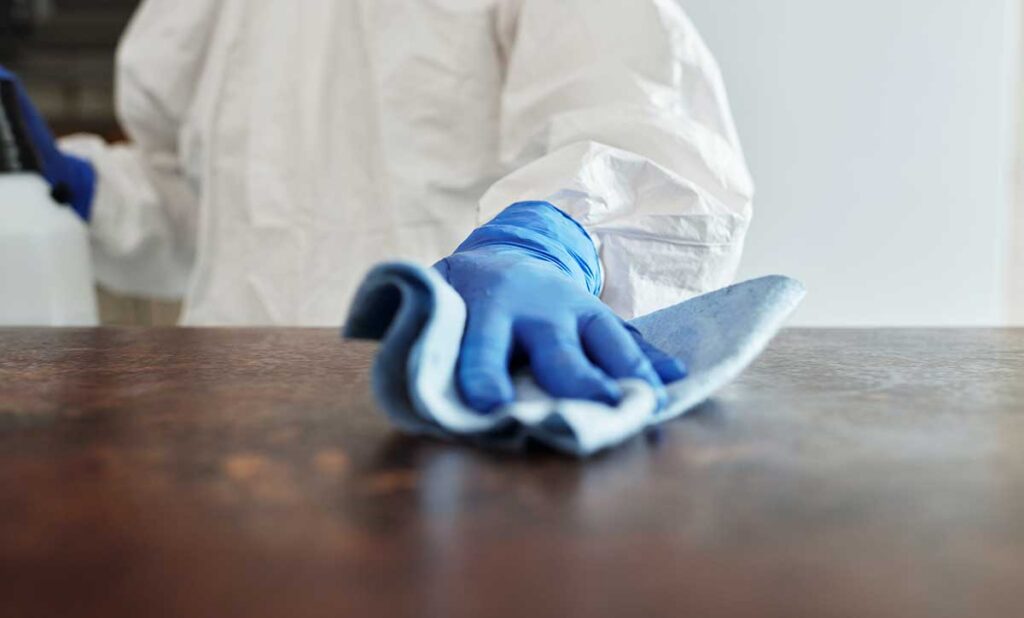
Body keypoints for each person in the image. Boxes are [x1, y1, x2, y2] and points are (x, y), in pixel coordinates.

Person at [1, 0, 753, 413]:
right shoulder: (201, 12)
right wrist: (83, 185)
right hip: (227, 414)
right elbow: (200, 215)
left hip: (458, 396)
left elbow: (647, 126)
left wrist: (551, 235)